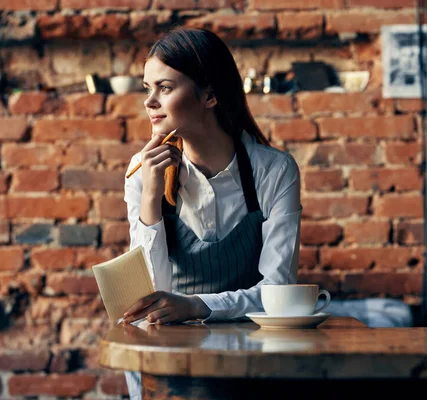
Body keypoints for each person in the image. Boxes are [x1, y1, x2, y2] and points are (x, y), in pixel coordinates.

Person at [121, 27, 302, 399]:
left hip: (252, 356)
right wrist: (151, 199)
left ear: (209, 95)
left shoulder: (275, 171)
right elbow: (150, 297)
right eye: (146, 88)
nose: (149, 102)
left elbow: (277, 291)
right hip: (170, 356)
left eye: (165, 88)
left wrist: (196, 305)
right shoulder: (143, 172)